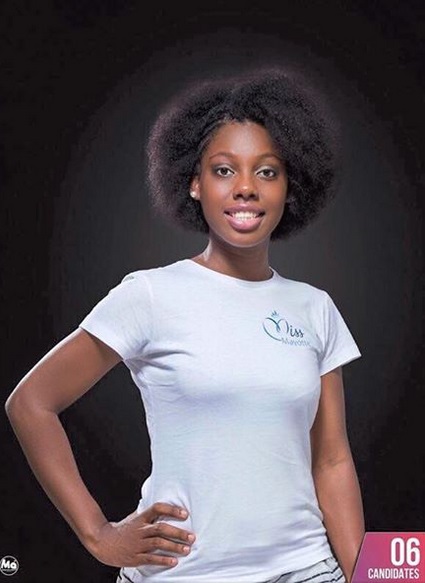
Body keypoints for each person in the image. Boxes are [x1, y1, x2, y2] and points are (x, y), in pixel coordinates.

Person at [5, 68, 365, 583]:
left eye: (267, 172)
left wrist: (366, 576)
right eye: (224, 170)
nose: (245, 188)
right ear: (194, 183)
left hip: (307, 570)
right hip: (181, 573)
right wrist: (98, 535)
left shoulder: (315, 308)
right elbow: (31, 403)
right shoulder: (151, 295)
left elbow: (332, 463)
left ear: (291, 186)